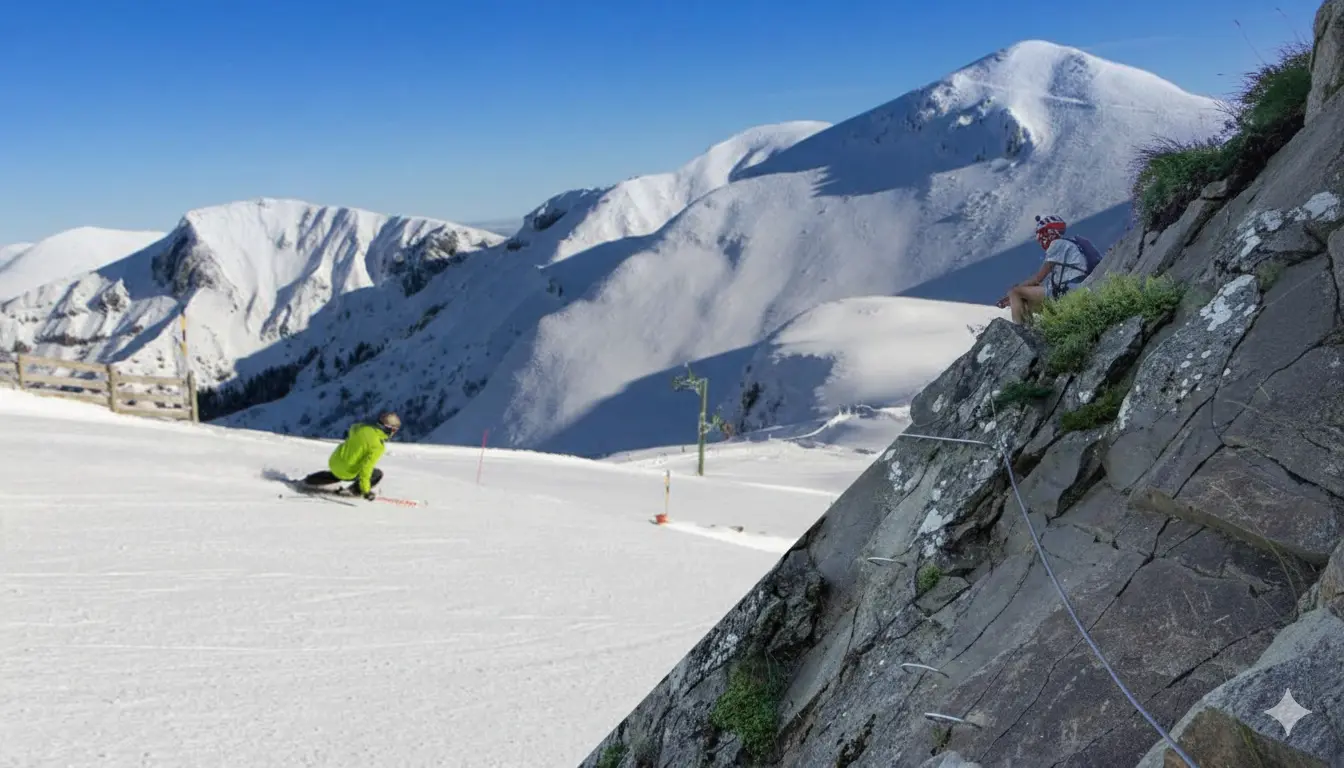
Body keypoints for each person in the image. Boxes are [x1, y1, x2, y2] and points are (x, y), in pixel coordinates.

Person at [996, 215, 1098, 324]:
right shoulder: (1070, 245)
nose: (1040, 240)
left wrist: (1011, 294)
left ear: (1047, 233)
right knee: (1024, 299)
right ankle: (1028, 330)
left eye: (1040, 236)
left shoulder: (1056, 244)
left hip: (1067, 292)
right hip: (1074, 287)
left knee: (1015, 292)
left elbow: (1038, 278)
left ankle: (1020, 331)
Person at [302, 411, 401, 499]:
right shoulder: (378, 446)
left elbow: (352, 429)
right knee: (377, 474)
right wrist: (366, 490)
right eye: (394, 430)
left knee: (336, 474)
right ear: (388, 429)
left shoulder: (361, 427)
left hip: (334, 462)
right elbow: (366, 469)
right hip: (348, 471)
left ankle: (308, 481)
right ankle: (353, 491)